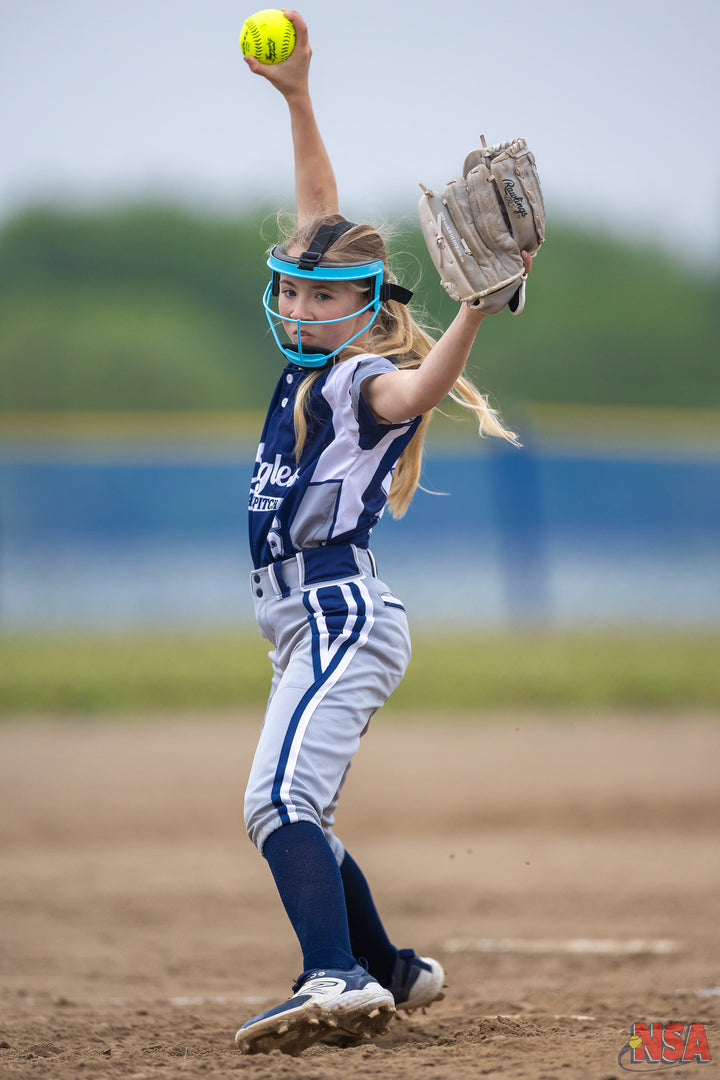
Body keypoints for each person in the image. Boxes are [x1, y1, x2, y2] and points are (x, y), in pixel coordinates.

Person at [235, 10, 531, 1056]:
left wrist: (472, 312)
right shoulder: (310, 358)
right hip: (303, 619)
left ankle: (334, 976)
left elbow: (420, 389)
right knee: (296, 805)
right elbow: (319, 212)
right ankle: (393, 970)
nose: (306, 304)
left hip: (338, 608)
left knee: (276, 801)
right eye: (296, 289)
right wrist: (301, 98)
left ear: (362, 310)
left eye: (327, 295)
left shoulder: (361, 374)